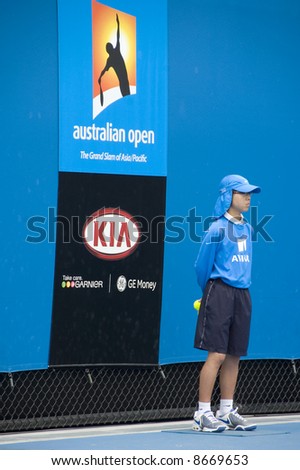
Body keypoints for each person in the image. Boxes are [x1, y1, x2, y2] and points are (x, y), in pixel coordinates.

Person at [193, 174, 261, 433]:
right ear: (226, 196)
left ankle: (226, 411)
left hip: (243, 295)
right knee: (217, 354)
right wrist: (210, 293)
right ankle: (201, 413)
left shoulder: (249, 228)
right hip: (219, 292)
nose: (247, 197)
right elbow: (202, 266)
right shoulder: (216, 228)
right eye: (242, 193)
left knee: (234, 354)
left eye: (249, 193)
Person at [98, 14, 130, 100]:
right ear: (109, 50)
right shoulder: (111, 58)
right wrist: (100, 77)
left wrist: (118, 24)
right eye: (109, 47)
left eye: (110, 46)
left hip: (124, 81)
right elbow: (104, 70)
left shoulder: (114, 55)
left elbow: (118, 36)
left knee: (127, 99)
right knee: (127, 99)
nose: (111, 47)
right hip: (123, 82)